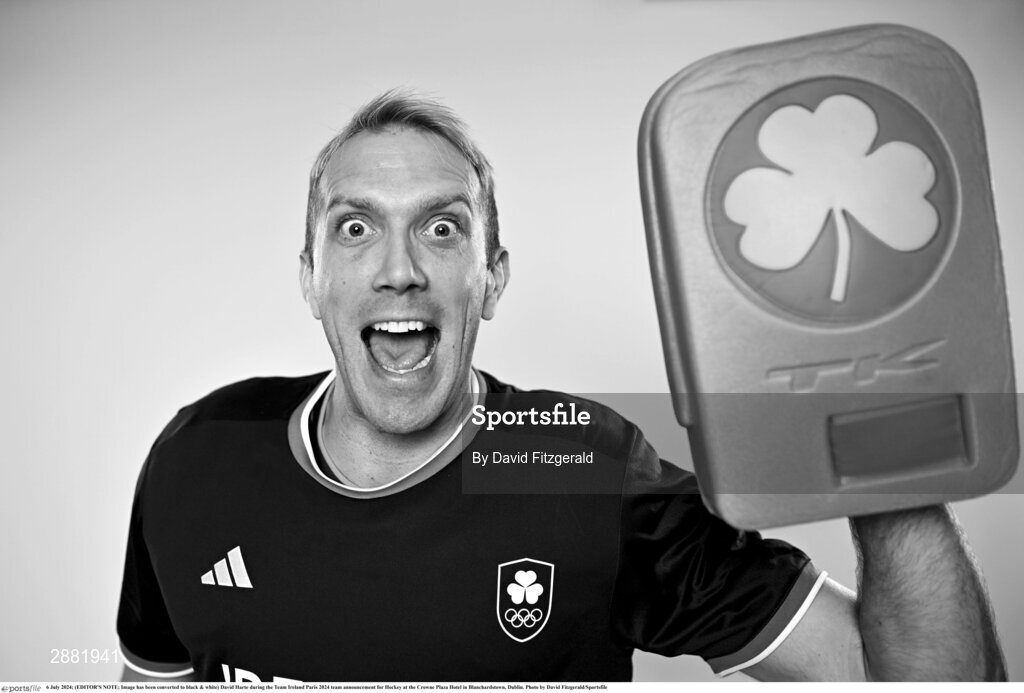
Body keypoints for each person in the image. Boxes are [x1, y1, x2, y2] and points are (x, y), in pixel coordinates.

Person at [116, 91, 1006, 682]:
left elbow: (916, 684)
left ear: (492, 278)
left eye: (441, 227)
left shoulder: (582, 466)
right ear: (310, 277)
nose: (398, 270)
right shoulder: (200, 455)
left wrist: (890, 468)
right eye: (355, 228)